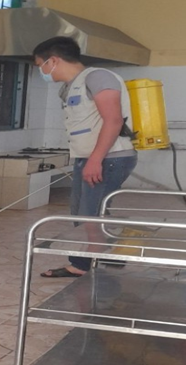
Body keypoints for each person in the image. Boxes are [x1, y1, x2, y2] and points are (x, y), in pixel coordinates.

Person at [34, 36, 138, 278]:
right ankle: (98, 261)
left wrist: (95, 160)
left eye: (40, 65)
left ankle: (91, 265)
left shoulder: (98, 77)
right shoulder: (74, 85)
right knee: (84, 214)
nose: (41, 71)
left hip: (108, 158)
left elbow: (113, 121)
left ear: (53, 61)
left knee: (90, 215)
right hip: (92, 158)